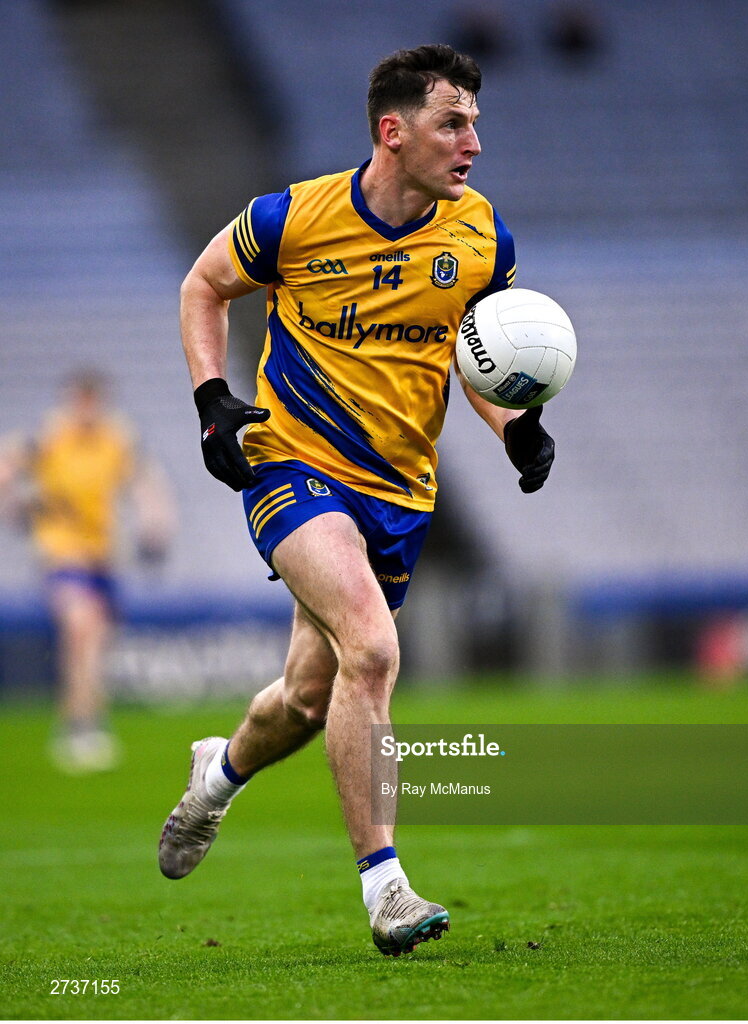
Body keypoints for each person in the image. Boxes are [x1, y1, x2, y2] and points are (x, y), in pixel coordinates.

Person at [158, 43, 555, 956]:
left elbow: (481, 354)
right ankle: (386, 889)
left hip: (400, 491)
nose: (473, 143)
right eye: (453, 122)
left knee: (307, 696)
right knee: (372, 652)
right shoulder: (293, 217)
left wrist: (515, 427)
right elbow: (204, 285)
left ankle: (216, 775)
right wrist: (212, 400)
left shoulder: (480, 234)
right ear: (394, 130)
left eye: (475, 124)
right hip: (293, 465)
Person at [0, 370, 174, 772]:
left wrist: (154, 524)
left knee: (93, 642)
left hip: (102, 557)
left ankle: (84, 720)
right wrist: (18, 506)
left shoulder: (115, 439)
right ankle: (81, 727)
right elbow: (7, 466)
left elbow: (146, 482)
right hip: (62, 554)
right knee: (82, 627)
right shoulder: (50, 437)